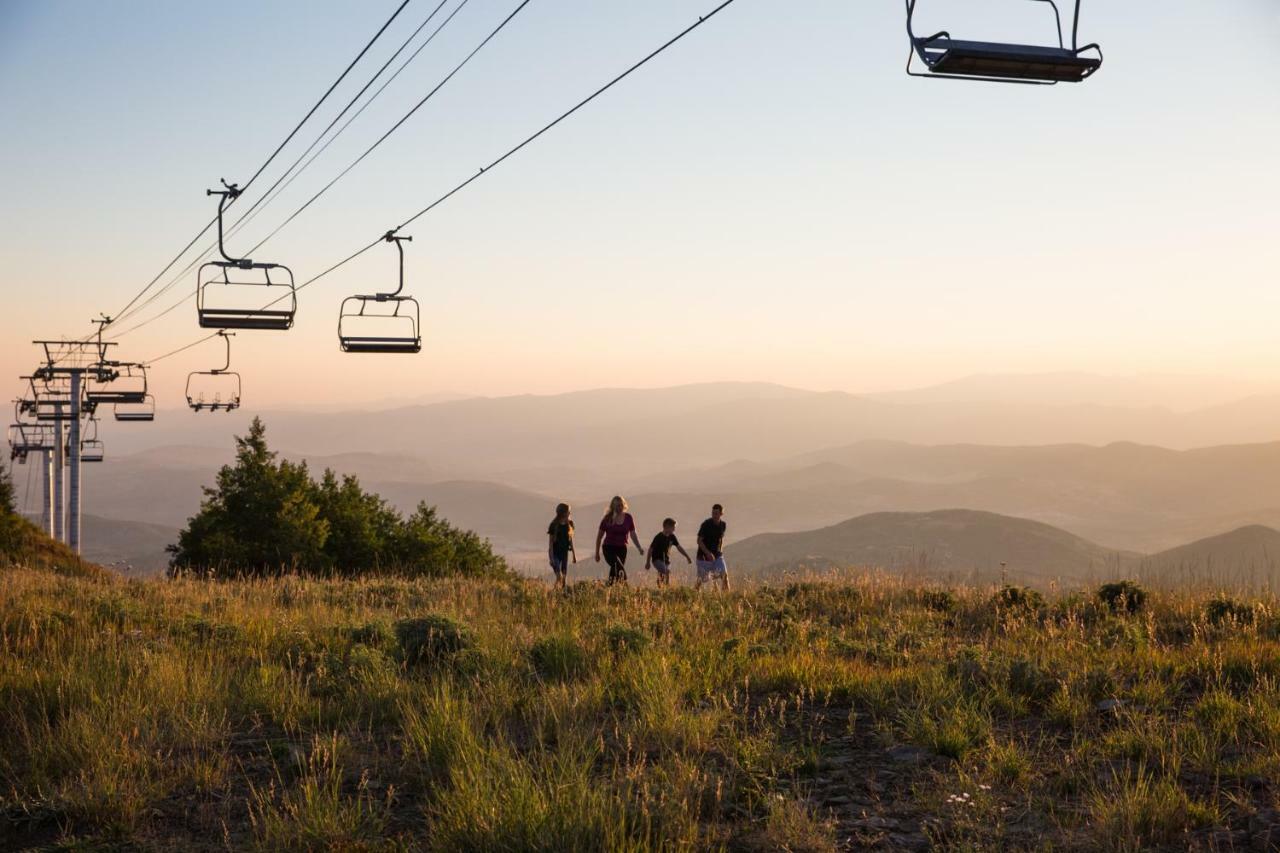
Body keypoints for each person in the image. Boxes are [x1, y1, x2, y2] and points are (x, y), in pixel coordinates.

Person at [595, 495, 643, 585]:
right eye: (617, 506)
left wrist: (639, 548)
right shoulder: (607, 519)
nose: (619, 507)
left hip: (622, 549)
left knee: (615, 571)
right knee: (619, 569)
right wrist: (597, 553)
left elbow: (633, 534)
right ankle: (625, 586)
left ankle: (609, 588)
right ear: (613, 506)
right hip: (609, 548)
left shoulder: (628, 518)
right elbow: (599, 537)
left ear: (624, 505)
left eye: (621, 505)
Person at [645, 517, 692, 587]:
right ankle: (667, 588)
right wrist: (648, 562)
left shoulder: (672, 537)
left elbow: (679, 547)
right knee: (667, 572)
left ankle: (660, 589)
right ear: (667, 527)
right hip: (657, 560)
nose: (674, 529)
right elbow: (650, 549)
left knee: (661, 576)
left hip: (666, 560)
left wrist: (687, 556)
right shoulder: (658, 537)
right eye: (673, 527)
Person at [695, 503, 729, 591]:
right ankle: (692, 594)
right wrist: (708, 553)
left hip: (717, 555)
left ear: (721, 514)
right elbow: (699, 540)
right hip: (703, 557)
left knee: (725, 576)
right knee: (701, 580)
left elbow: (721, 538)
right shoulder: (706, 525)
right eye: (713, 513)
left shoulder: (723, 525)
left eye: (716, 513)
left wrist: (720, 551)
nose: (714, 515)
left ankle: (727, 598)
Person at [546, 502, 576, 590]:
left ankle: (559, 595)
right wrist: (551, 559)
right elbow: (550, 544)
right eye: (568, 512)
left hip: (564, 553)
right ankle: (552, 593)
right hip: (555, 554)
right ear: (563, 513)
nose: (570, 513)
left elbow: (570, 541)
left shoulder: (570, 524)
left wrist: (574, 555)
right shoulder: (554, 525)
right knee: (559, 577)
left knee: (563, 580)